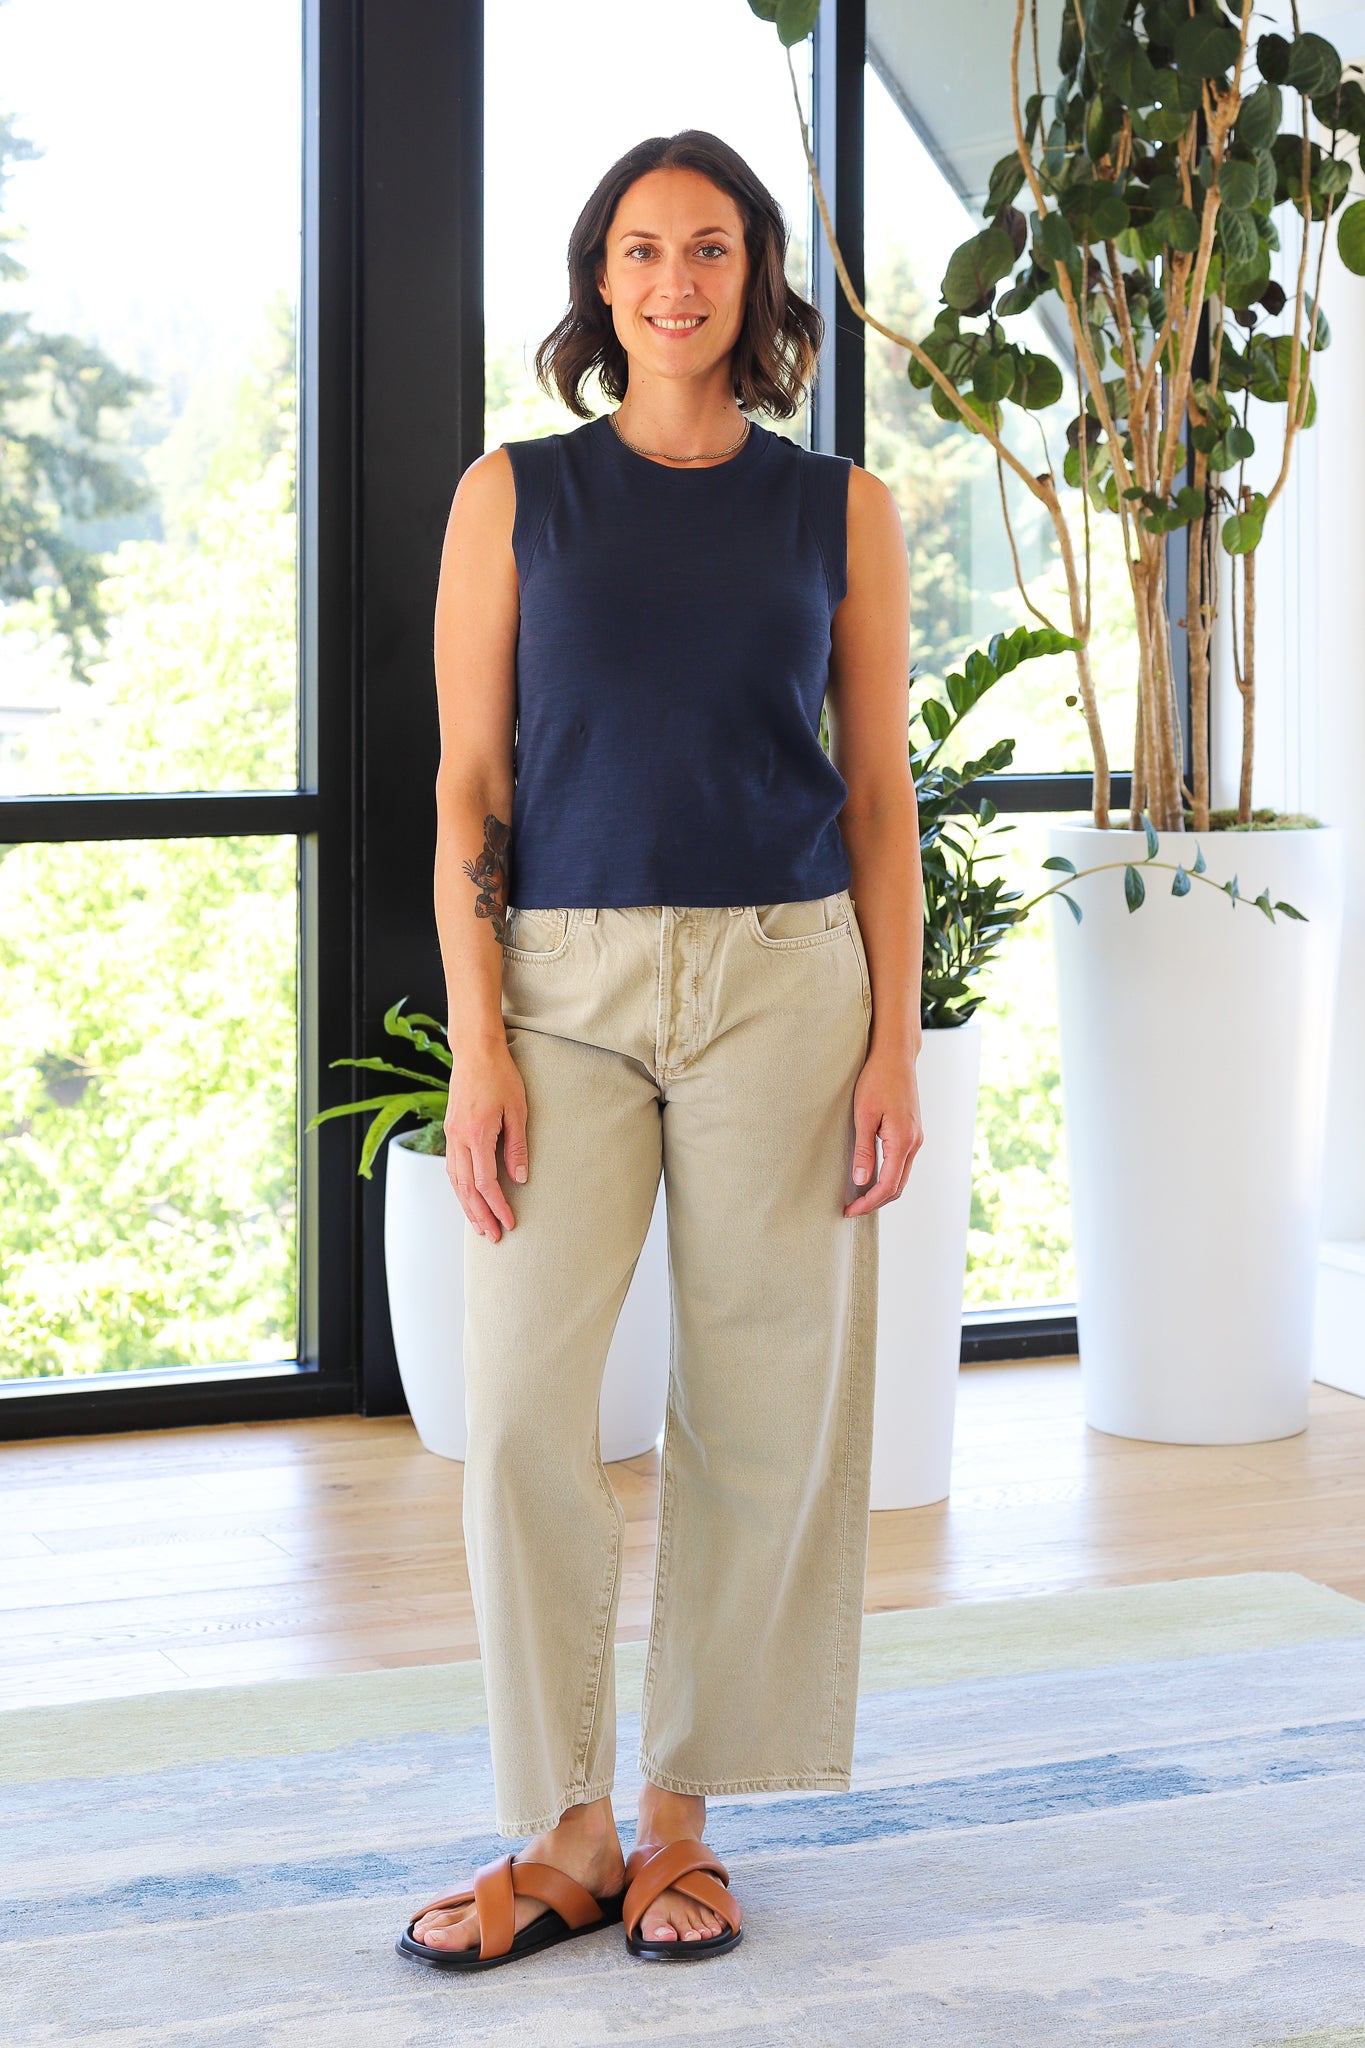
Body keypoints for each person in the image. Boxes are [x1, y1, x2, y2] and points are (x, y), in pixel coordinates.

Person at [397, 128, 923, 1973]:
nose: (674, 280)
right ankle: (561, 1828)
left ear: (754, 278)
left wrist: (893, 1046)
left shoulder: (840, 509)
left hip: (788, 980)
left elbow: (879, 797)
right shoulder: (513, 495)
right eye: (640, 248)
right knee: (524, 1410)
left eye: (709, 247)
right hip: (560, 984)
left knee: (760, 1405)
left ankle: (681, 1824)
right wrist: (477, 1043)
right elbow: (470, 784)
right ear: (598, 281)